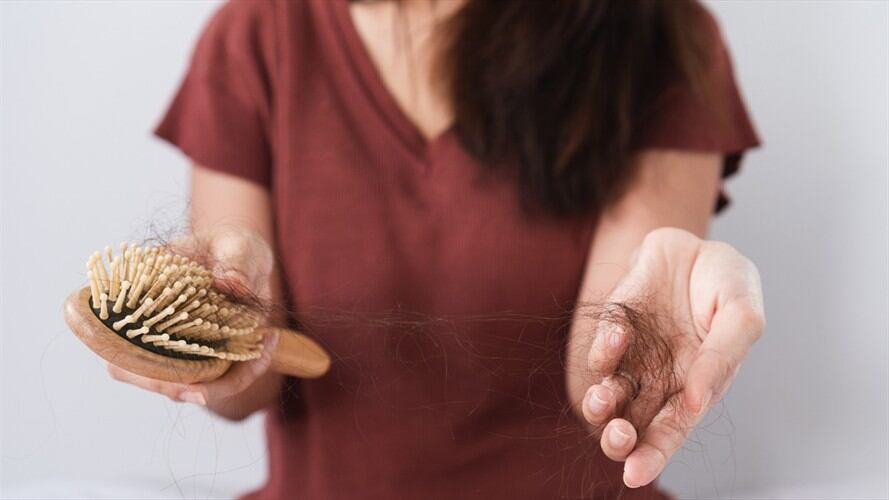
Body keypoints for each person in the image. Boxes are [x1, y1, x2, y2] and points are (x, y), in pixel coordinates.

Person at [105, 1, 765, 498]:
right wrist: (210, 342)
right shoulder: (256, 36)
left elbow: (600, 385)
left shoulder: (652, 33)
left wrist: (651, 338)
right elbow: (247, 387)